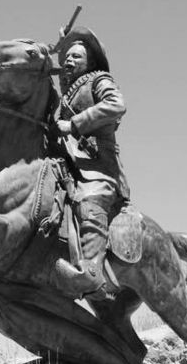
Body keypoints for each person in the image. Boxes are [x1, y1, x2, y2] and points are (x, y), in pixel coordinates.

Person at [52, 26, 129, 298]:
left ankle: (92, 272)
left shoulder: (99, 79)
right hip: (68, 163)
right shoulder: (66, 93)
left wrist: (74, 124)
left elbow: (116, 105)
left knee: (89, 200)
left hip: (97, 165)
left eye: (76, 56)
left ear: (91, 61)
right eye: (67, 57)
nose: (69, 61)